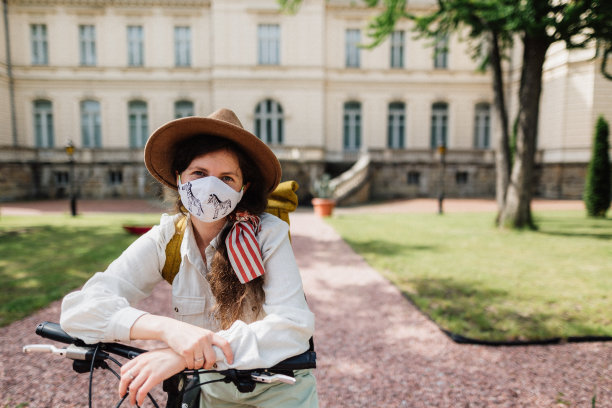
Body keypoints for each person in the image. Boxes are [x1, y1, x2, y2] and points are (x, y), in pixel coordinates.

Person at [60, 108, 318, 407]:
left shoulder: (266, 234)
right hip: (211, 393)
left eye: (226, 177)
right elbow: (80, 308)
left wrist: (182, 355)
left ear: (242, 187)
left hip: (279, 390)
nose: (212, 186)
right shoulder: (166, 239)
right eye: (199, 173)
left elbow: (292, 327)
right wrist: (167, 329)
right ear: (179, 178)